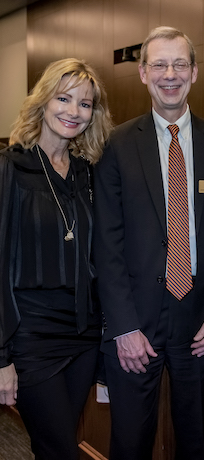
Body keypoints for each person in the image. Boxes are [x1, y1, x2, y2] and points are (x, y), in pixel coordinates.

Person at [93, 26, 204, 460]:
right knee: (130, 442)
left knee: (194, 441)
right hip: (134, 321)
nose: (169, 74)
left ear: (194, 73)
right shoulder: (114, 147)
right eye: (159, 64)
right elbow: (107, 242)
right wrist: (123, 326)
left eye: (179, 64)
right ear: (142, 74)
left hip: (202, 321)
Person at [0, 58, 112, 460]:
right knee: (60, 447)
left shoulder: (89, 173)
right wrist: (1, 358)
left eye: (84, 104)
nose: (73, 112)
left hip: (84, 333)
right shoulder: (9, 169)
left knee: (54, 444)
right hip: (29, 335)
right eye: (63, 99)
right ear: (43, 102)